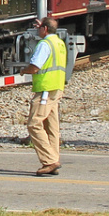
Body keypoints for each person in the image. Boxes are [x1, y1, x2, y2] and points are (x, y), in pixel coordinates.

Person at [21, 17, 68, 176]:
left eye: (39, 27)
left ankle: (49, 161)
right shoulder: (59, 43)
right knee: (51, 126)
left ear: (45, 29)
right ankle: (53, 158)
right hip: (56, 88)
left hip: (45, 90)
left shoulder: (45, 44)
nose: (37, 30)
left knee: (34, 123)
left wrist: (23, 70)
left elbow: (35, 67)